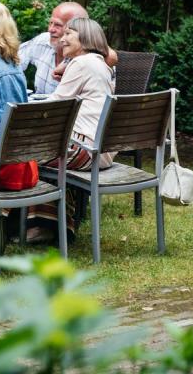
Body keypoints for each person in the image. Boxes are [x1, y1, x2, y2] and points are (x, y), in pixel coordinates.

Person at [26, 17, 116, 243]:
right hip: (100, 150)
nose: (62, 39)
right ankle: (45, 221)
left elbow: (55, 107)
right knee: (38, 149)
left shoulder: (82, 63)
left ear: (85, 38)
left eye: (69, 34)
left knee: (20, 151)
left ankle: (35, 224)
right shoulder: (99, 64)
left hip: (84, 149)